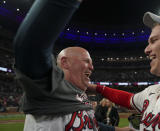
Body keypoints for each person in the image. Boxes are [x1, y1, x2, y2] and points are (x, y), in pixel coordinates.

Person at [13, 0, 133, 130]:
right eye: (86, 61)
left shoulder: (78, 93)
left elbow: (88, 122)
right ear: (65, 62)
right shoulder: (51, 88)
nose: (92, 68)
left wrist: (119, 130)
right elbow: (31, 46)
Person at [88, 8, 160, 131]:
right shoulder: (153, 91)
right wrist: (95, 88)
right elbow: (128, 99)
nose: (146, 50)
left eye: (154, 40)